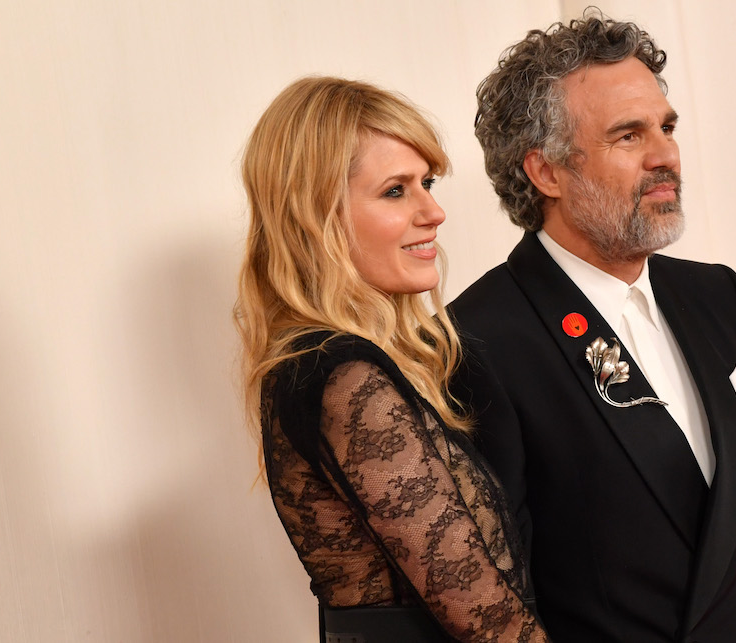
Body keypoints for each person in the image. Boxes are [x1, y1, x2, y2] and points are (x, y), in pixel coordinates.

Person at [448, 12, 736, 642]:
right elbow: (502, 603)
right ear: (545, 172)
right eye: (628, 136)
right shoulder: (479, 338)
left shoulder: (716, 295)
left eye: (667, 127)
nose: (666, 156)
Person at [235, 76, 548, 643]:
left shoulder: (331, 364)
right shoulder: (344, 375)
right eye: (396, 191)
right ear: (316, 215)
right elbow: (487, 623)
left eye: (426, 183)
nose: (434, 211)